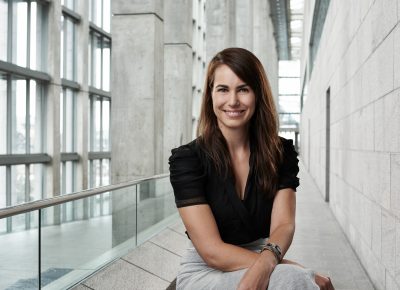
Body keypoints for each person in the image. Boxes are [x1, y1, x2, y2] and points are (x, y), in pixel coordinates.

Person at [169, 47, 334, 290]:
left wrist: (269, 262)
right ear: (210, 97)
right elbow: (211, 251)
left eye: (243, 89)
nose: (233, 101)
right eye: (223, 89)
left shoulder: (280, 153)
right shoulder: (188, 159)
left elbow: (283, 225)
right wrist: (287, 266)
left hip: (264, 255)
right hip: (204, 270)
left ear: (257, 94)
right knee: (292, 279)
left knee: (290, 279)